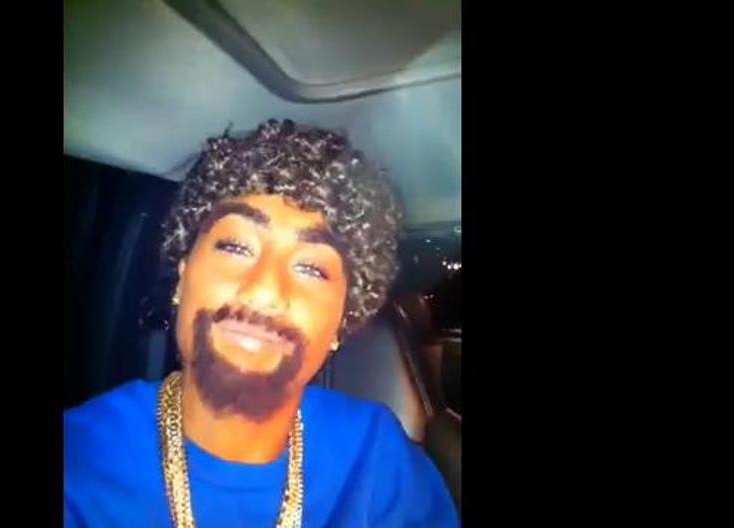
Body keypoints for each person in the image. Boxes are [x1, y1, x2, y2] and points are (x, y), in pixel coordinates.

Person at [64, 119, 458, 527]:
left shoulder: (378, 460)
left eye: (311, 269)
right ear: (182, 277)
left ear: (343, 321)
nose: (264, 291)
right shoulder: (81, 460)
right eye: (236, 247)